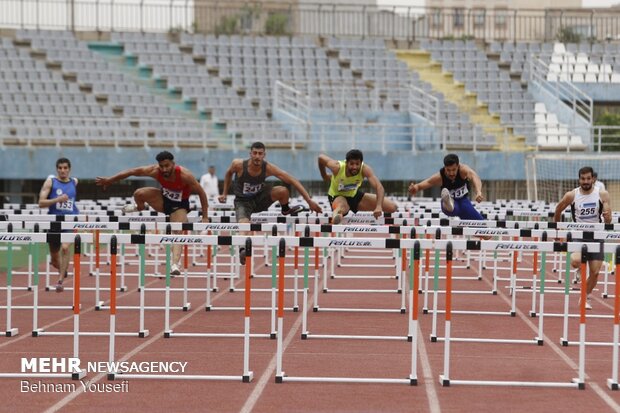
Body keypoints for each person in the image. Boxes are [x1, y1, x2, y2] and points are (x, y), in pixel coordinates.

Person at [95, 151, 209, 275]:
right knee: (139, 193)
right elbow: (131, 172)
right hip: (163, 200)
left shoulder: (184, 175)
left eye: (167, 166)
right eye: (162, 166)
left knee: (177, 230)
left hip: (179, 205)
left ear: (173, 164)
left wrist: (205, 217)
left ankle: (175, 264)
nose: (164, 169)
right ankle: (139, 207)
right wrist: (110, 180)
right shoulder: (154, 171)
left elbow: (201, 193)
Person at [218, 141, 322, 264]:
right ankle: (242, 250)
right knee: (244, 224)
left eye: (260, 154)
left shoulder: (268, 168)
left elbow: (292, 180)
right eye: (255, 153)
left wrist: (309, 201)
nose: (257, 156)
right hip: (242, 202)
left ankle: (285, 209)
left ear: (264, 155)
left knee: (282, 191)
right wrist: (224, 193)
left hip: (260, 199)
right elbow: (228, 173)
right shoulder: (238, 165)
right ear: (250, 153)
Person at [554, 166, 612, 310]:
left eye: (588, 178)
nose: (585, 181)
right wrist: (557, 230)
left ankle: (584, 296)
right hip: (579, 235)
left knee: (596, 272)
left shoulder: (602, 194)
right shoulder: (571, 195)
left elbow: (608, 220)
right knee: (575, 261)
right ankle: (580, 266)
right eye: (582, 178)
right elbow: (558, 209)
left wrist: (608, 216)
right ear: (579, 179)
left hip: (596, 236)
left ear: (593, 179)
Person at [318, 149, 397, 224]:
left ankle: (339, 212)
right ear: (346, 163)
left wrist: (379, 206)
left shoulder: (365, 169)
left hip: (354, 195)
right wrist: (324, 175)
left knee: (392, 207)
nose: (354, 167)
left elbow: (379, 187)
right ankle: (337, 215)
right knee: (342, 206)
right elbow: (320, 158)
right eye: (351, 164)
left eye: (357, 164)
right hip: (337, 196)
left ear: (361, 163)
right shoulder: (336, 167)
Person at [38, 158, 79, 292]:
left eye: (65, 168)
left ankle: (60, 281)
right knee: (55, 260)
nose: (63, 170)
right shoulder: (51, 182)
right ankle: (62, 269)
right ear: (57, 169)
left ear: (69, 169)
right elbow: (41, 203)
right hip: (54, 222)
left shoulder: (74, 181)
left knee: (66, 248)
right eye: (60, 168)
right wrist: (57, 200)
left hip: (70, 221)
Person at [408, 153, 484, 220]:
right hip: (449, 207)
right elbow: (426, 183)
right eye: (448, 170)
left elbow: (475, 177)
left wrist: (478, 191)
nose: (451, 173)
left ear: (458, 166)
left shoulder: (463, 170)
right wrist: (415, 188)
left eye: (454, 170)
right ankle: (448, 201)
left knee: (484, 230)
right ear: (445, 168)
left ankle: (449, 202)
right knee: (451, 207)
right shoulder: (440, 177)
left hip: (464, 202)